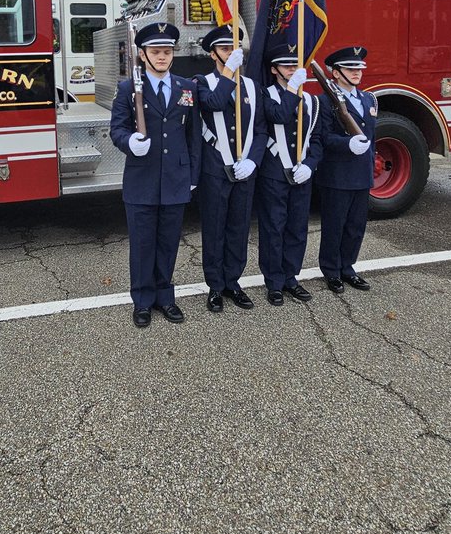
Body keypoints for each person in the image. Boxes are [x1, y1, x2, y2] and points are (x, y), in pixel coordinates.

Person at [109, 22, 201, 328]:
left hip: (176, 179)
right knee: (143, 244)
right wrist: (128, 142)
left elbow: (193, 134)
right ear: (143, 55)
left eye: (167, 51)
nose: (161, 57)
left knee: (168, 243)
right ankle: (143, 301)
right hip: (142, 180)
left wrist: (192, 173)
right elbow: (117, 129)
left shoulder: (186, 87)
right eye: (155, 51)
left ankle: (165, 297)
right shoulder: (127, 89)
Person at [195, 24, 268, 313]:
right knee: (214, 228)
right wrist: (229, 73)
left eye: (235, 48)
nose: (232, 52)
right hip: (215, 168)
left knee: (238, 227)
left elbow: (261, 129)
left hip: (244, 169)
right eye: (225, 49)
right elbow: (213, 104)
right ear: (213, 53)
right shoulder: (202, 82)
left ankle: (233, 282)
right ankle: (214, 285)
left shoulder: (252, 86)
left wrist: (253, 160)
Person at [254, 38, 323, 305]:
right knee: (273, 228)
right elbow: (280, 115)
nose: (292, 69)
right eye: (286, 66)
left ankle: (291, 277)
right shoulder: (265, 95)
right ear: (274, 70)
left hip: (301, 174)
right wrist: (293, 88)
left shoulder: (312, 101)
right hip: (274, 173)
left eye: (295, 65)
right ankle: (273, 281)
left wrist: (309, 165)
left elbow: (316, 140)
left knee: (297, 228)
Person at [316, 46, 376, 293]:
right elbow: (323, 137)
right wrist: (346, 143)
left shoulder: (369, 99)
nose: (356, 73)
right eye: (350, 69)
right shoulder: (326, 101)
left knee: (355, 226)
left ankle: (348, 267)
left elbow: (373, 134)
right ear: (335, 73)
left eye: (359, 68)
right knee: (335, 224)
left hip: (362, 173)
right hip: (337, 174)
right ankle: (331, 271)